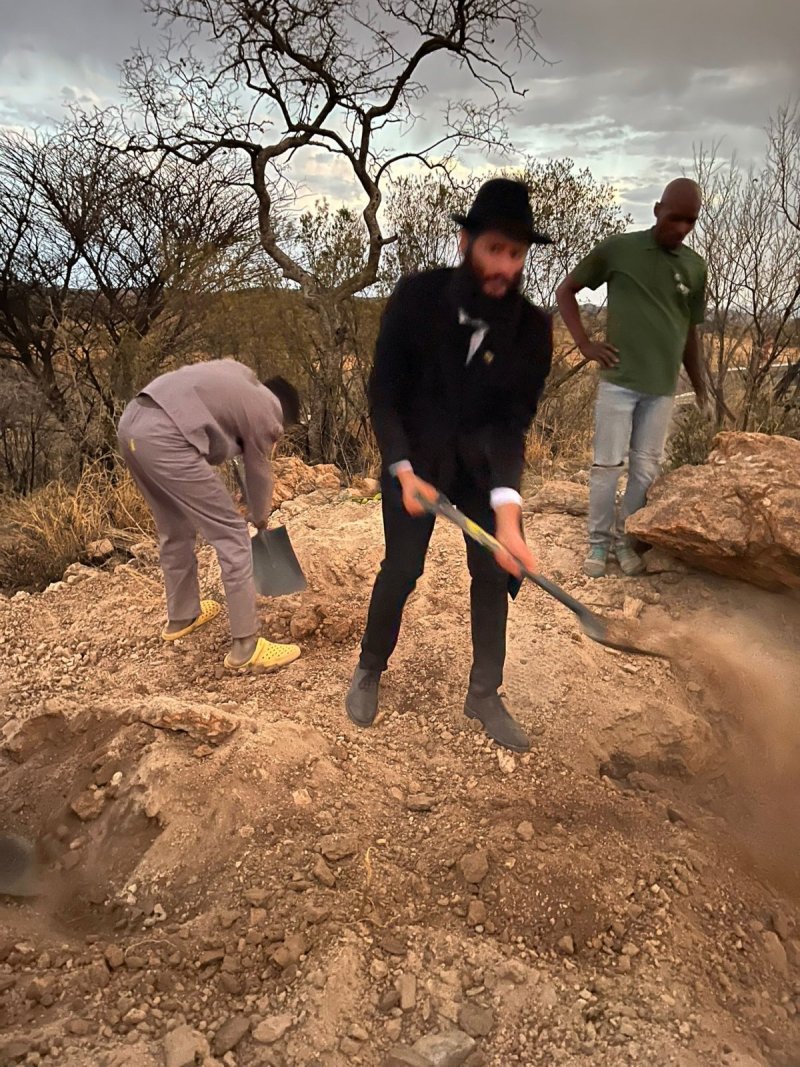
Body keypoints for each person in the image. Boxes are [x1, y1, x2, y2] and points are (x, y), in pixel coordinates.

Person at [346, 178, 553, 752]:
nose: (505, 266)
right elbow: (384, 394)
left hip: (481, 470)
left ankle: (484, 692)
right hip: (416, 459)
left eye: (516, 254)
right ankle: (369, 667)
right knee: (403, 568)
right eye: (494, 249)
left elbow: (512, 425)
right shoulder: (416, 299)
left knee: (494, 570)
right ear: (465, 241)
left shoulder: (532, 330)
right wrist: (403, 469)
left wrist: (508, 515)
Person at [555, 178, 708, 578]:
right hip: (619, 382)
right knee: (607, 466)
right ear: (657, 210)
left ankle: (626, 541)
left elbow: (689, 332)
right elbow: (566, 291)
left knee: (645, 469)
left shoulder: (694, 266)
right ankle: (597, 543)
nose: (681, 229)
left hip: (661, 389)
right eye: (675, 218)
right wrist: (586, 345)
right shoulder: (619, 249)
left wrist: (701, 386)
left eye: (690, 222)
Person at [117, 359, 302, 672]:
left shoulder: (236, 376)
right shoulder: (268, 409)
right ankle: (246, 646)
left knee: (174, 527)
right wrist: (260, 517)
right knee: (232, 533)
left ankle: (182, 615)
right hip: (167, 438)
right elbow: (259, 471)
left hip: (132, 427)